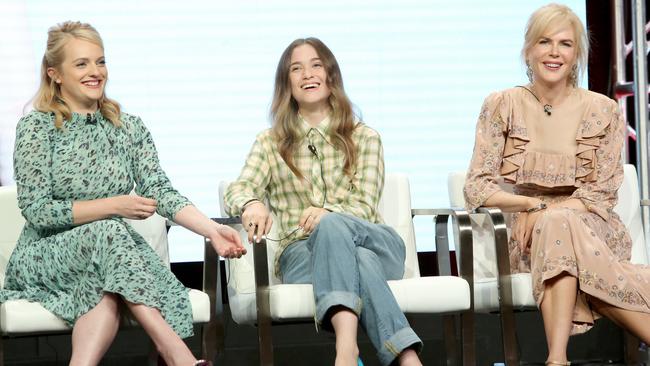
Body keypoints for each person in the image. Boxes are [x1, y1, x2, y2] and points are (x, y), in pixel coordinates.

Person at [0, 21, 246, 366]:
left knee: (105, 288)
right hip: (45, 256)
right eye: (82, 63)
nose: (95, 72)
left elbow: (159, 189)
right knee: (110, 229)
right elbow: (38, 211)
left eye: (100, 61)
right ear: (54, 73)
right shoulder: (36, 127)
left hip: (105, 256)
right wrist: (113, 205)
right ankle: (176, 353)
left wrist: (210, 229)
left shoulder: (128, 127)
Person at [463, 4, 650, 365]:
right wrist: (533, 207)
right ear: (528, 49)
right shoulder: (502, 105)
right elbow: (478, 188)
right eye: (544, 42)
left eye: (564, 44)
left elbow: (600, 193)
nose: (553, 52)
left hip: (592, 227)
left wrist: (547, 211)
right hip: (524, 235)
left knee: (556, 223)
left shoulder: (603, 110)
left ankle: (557, 360)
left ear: (577, 54)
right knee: (553, 224)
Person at [224, 37, 422, 366]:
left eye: (316, 65)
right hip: (304, 254)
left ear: (331, 76)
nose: (307, 74)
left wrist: (329, 214)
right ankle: (407, 357)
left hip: (375, 241)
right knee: (358, 260)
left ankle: (346, 349)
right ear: (286, 83)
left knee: (338, 231)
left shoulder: (365, 137)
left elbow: (363, 205)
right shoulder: (270, 142)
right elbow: (240, 187)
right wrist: (251, 204)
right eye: (296, 69)